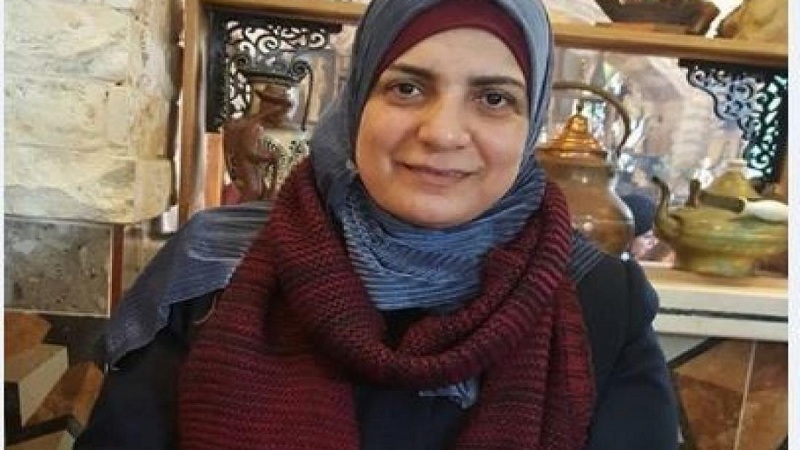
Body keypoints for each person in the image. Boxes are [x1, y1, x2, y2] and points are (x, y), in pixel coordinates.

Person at [75, 0, 679, 448]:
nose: (443, 132)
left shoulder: (599, 301)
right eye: (408, 88)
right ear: (358, 99)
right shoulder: (214, 272)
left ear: (530, 123)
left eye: (494, 98)